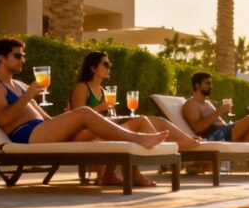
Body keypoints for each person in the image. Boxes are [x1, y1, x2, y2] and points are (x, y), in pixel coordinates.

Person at [0, 38, 171, 151]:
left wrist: (66, 119)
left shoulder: (19, 85)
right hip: (26, 135)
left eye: (24, 56)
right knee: (85, 112)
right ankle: (138, 139)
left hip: (44, 129)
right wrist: (28, 96)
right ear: (1, 57)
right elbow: (3, 120)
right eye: (18, 56)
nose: (23, 60)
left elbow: (46, 118)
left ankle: (118, 175)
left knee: (106, 130)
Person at [69, 52, 203, 186]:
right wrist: (100, 107)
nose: (109, 67)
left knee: (155, 121)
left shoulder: (104, 90)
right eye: (106, 64)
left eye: (110, 64)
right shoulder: (82, 87)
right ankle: (172, 147)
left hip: (101, 129)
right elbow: (77, 117)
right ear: (93, 68)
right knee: (141, 121)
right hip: (83, 134)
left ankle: (183, 142)